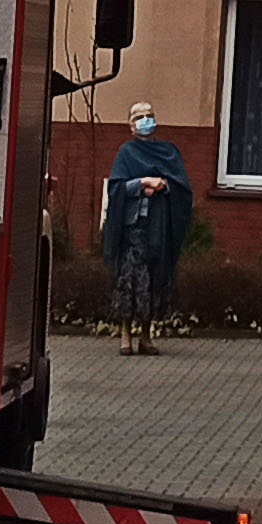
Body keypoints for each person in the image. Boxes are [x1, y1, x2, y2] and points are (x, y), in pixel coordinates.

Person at [99, 106, 191, 353]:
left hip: (158, 227)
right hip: (133, 229)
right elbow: (117, 188)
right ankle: (126, 337)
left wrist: (163, 186)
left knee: (153, 279)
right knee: (129, 280)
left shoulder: (168, 152)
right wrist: (142, 183)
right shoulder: (127, 153)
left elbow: (182, 187)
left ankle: (146, 337)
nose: (145, 121)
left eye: (148, 115)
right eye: (139, 118)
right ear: (131, 126)